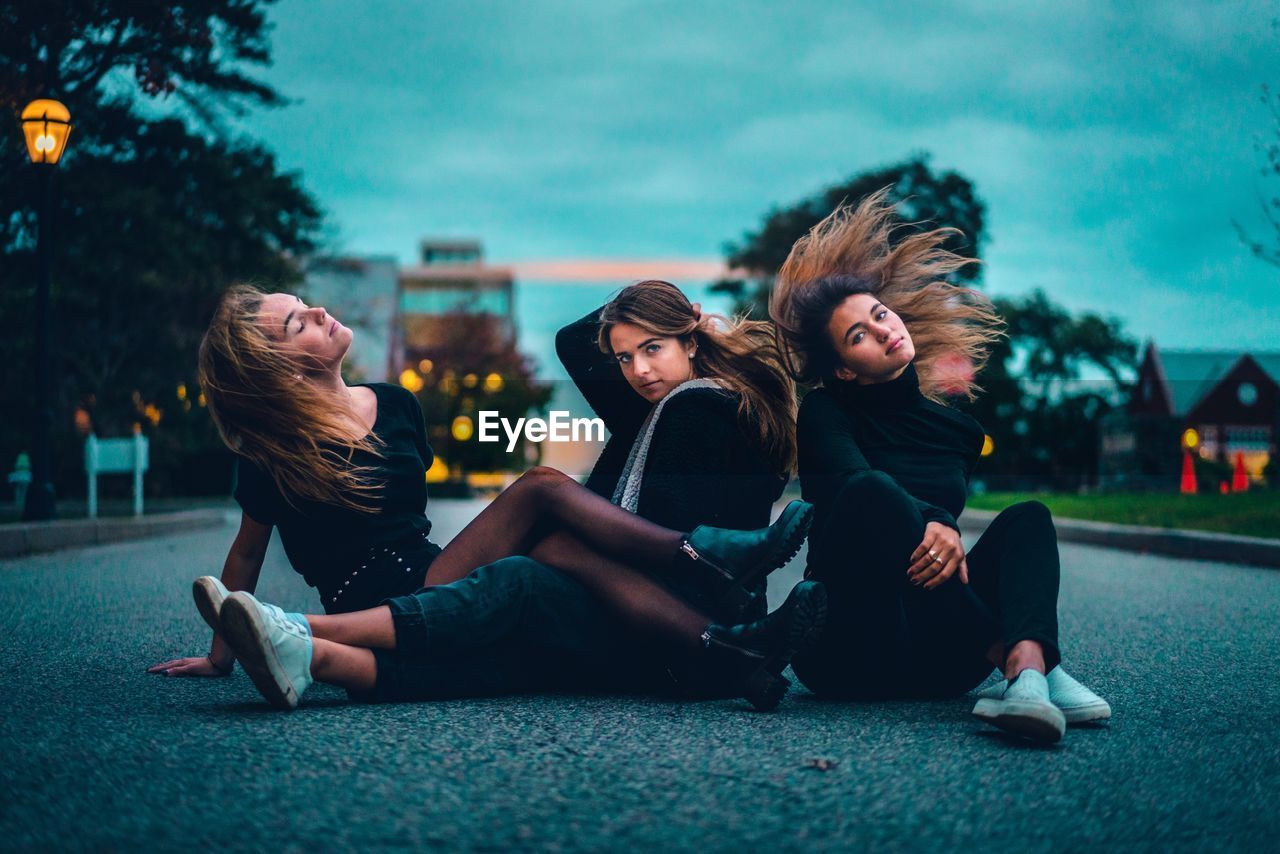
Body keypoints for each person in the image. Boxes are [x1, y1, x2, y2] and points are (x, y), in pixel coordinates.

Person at [157, 282, 825, 710]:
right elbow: (245, 556)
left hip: (429, 570)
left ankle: (724, 643)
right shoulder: (276, 452)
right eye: (299, 322)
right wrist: (222, 654)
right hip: (376, 598)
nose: (321, 312)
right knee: (540, 490)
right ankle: (706, 559)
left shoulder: (393, 406)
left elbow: (408, 525)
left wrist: (688, 321)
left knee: (556, 547)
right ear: (280, 365)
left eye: (306, 303)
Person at [768, 190, 1110, 743]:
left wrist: (940, 527)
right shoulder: (827, 411)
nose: (883, 330)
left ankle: (1027, 676)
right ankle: (1023, 668)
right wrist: (937, 520)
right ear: (845, 371)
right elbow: (854, 490)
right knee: (871, 491)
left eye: (879, 315)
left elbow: (939, 551)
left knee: (1028, 517)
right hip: (848, 650)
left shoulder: (954, 428)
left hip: (942, 661)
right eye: (859, 335)